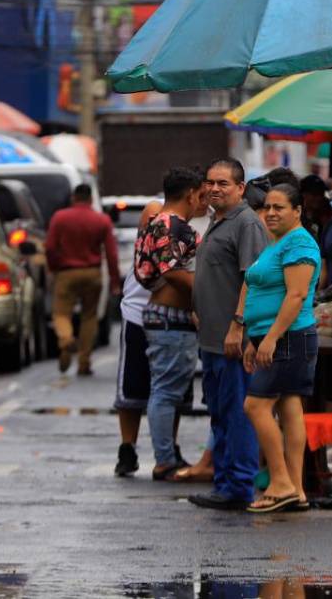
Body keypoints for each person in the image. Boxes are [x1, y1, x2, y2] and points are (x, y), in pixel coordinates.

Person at [189, 158, 269, 511]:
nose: (215, 189)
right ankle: (224, 482)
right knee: (221, 413)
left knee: (237, 414)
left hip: (234, 341)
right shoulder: (215, 221)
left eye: (224, 183)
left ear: (240, 188)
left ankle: (238, 486)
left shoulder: (246, 223)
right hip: (211, 339)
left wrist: (238, 324)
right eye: (211, 183)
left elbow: (253, 279)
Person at [240, 184, 321, 512]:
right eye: (268, 207)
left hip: (289, 337)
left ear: (298, 211)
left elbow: (296, 295)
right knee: (289, 409)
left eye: (280, 207)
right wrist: (253, 338)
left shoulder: (299, 242)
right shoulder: (278, 243)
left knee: (255, 406)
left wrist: (271, 338)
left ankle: (281, 482)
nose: (271, 213)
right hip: (274, 337)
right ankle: (296, 489)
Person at [134, 167, 202, 480]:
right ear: (190, 194)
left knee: (169, 390)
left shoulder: (162, 223)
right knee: (165, 392)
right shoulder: (171, 225)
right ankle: (164, 459)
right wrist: (206, 286)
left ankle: (168, 454)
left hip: (168, 316)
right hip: (168, 318)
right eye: (202, 194)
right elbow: (171, 271)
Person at [46, 183, 121, 376]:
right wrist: (114, 281)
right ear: (90, 199)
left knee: (61, 313)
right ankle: (84, 362)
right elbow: (112, 254)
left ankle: (66, 338)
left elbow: (50, 247)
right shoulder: (102, 220)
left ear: (74, 198)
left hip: (67, 272)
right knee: (89, 317)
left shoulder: (60, 217)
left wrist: (54, 267)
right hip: (93, 273)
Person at [114, 199, 163, 477]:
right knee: (132, 390)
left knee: (170, 392)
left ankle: (167, 452)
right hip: (138, 315)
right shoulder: (158, 213)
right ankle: (127, 447)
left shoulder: (207, 222)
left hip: (177, 318)